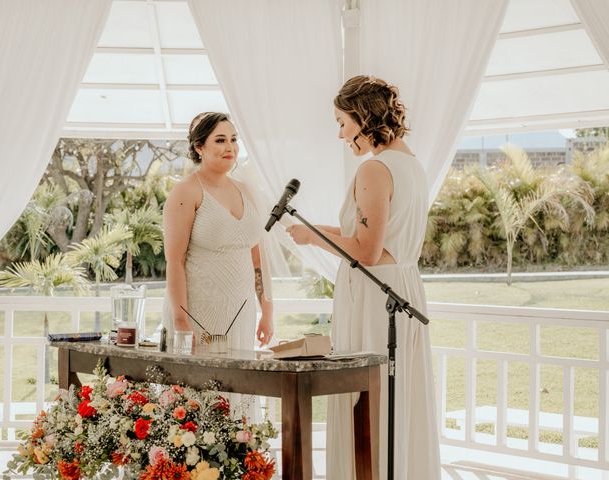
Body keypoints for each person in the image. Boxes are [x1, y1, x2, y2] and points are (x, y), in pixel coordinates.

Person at [286, 76, 441, 479]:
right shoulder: (410, 164)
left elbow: (368, 252)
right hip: (401, 281)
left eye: (342, 122)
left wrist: (318, 243)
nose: (340, 134)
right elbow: (376, 239)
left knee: (366, 399)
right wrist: (314, 231)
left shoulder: (374, 168)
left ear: (363, 116)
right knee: (397, 398)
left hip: (375, 297)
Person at [163, 112, 274, 354]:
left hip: (240, 315)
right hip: (197, 314)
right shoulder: (186, 192)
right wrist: (181, 320)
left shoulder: (248, 192)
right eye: (220, 140)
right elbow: (175, 260)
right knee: (199, 390)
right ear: (199, 146)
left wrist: (267, 312)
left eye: (234, 139)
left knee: (239, 387)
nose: (230, 147)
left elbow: (257, 260)